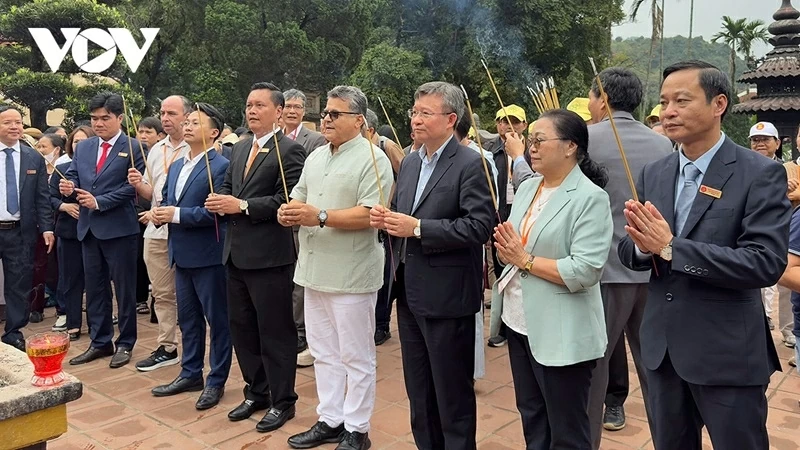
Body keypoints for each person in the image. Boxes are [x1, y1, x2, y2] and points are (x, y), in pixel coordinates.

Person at [618, 60, 788, 450]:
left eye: (682, 100)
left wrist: (672, 247)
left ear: (719, 104)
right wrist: (644, 249)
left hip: (726, 352)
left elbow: (765, 261)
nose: (668, 112)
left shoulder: (758, 173)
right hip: (662, 351)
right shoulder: (654, 173)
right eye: (663, 102)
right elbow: (629, 249)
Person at [370, 81, 494, 450]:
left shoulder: (471, 164)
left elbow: (480, 226)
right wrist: (388, 218)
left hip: (448, 297)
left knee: (452, 395)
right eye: (414, 111)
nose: (416, 119)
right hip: (409, 293)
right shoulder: (409, 161)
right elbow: (406, 216)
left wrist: (420, 228)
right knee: (419, 392)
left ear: (450, 119)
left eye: (426, 113)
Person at [488, 108, 612, 449]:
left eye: (540, 140)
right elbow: (514, 245)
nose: (532, 147)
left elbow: (586, 270)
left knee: (567, 429)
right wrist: (505, 249)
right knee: (533, 416)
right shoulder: (528, 189)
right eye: (531, 141)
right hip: (519, 321)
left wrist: (523, 259)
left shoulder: (589, 199)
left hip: (561, 330)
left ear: (571, 146)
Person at [280, 86, 393, 450]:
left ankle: (357, 428)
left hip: (351, 274)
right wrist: (289, 211)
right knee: (323, 352)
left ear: (359, 120)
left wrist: (321, 216)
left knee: (355, 356)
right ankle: (330, 418)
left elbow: (371, 214)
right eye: (326, 113)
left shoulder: (373, 159)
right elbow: (299, 195)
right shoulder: (315, 157)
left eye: (334, 114)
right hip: (313, 270)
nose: (325, 119)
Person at [205, 82, 306, 433]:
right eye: (248, 104)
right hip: (235, 255)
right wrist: (223, 201)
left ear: (278, 111)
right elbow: (231, 189)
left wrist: (243, 206)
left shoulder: (288, 151)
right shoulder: (240, 147)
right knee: (242, 329)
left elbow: (287, 200)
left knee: (275, 331)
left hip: (270, 257)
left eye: (260, 105)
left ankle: (283, 400)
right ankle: (256, 390)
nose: (251, 111)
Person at [149, 103, 232, 410]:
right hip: (180, 254)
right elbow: (169, 201)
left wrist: (176, 213)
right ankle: (190, 372)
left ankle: (216, 380)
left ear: (214, 132)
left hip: (208, 255)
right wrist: (160, 213)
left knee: (218, 321)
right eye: (188, 121)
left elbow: (217, 213)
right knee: (188, 320)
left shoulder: (221, 166)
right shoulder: (178, 166)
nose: (187, 126)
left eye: (196, 123)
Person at [61, 92, 146, 369]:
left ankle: (125, 342)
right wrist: (68, 187)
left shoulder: (134, 147)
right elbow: (73, 173)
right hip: (88, 229)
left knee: (124, 290)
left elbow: (131, 187)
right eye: (94, 118)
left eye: (104, 118)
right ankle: (100, 341)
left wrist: (99, 202)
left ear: (119, 118)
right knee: (95, 289)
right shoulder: (85, 148)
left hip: (119, 230)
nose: (98, 124)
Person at [128, 95, 192, 372]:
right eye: (162, 112)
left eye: (172, 113)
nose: (165, 118)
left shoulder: (197, 148)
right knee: (163, 294)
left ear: (187, 116)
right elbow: (150, 192)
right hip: (156, 234)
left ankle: (194, 346)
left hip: (188, 232)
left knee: (192, 295)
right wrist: (137, 184)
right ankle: (168, 346)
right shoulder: (156, 150)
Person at [0, 105, 54, 351]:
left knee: (18, 282)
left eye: (18, 122)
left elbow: (42, 197)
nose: (14, 127)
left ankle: (13, 331)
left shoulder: (33, 157)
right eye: (7, 122)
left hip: (21, 231)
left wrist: (47, 228)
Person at [749, 121, 796, 350]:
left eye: (765, 139)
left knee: (785, 283)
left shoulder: (788, 169)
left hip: (785, 232)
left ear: (777, 143)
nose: (760, 144)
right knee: (755, 281)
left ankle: (788, 329)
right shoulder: (743, 168)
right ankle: (758, 322)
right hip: (754, 234)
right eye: (755, 140)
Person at [49, 131, 84, 341]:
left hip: (94, 230)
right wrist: (64, 206)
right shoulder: (61, 169)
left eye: (85, 141)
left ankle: (102, 317)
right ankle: (72, 322)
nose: (80, 145)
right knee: (70, 278)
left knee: (98, 278)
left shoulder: (98, 168)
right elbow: (50, 197)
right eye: (76, 141)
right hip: (69, 231)